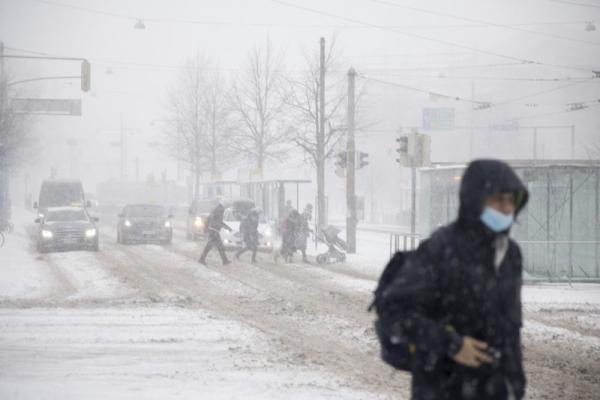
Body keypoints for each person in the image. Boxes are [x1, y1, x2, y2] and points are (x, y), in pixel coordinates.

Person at [381, 159, 528, 400]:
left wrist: (515, 383)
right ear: (475, 199)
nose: (506, 207)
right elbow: (396, 310)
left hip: (497, 389)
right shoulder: (441, 247)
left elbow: (510, 328)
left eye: (511, 200)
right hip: (443, 387)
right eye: (498, 199)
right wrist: (452, 344)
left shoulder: (511, 254)